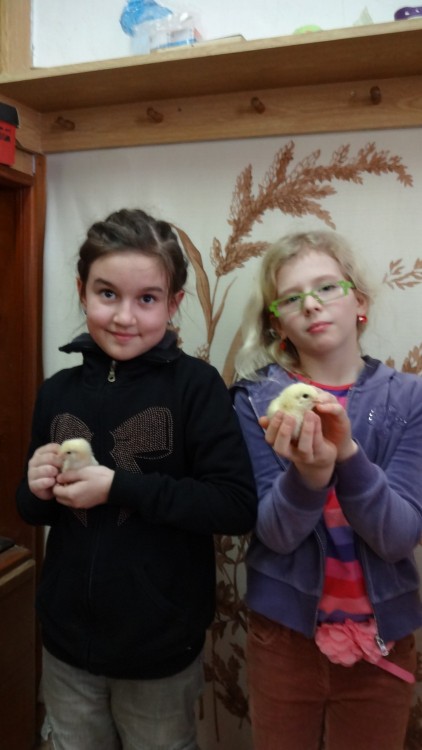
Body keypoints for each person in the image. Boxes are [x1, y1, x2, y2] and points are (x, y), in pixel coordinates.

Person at [16, 208, 257, 750]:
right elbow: (34, 511)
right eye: (107, 294)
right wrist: (34, 487)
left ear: (173, 304)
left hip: (159, 650)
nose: (124, 316)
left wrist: (117, 487)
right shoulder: (56, 391)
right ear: (82, 291)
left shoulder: (195, 387)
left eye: (147, 298)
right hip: (65, 644)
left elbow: (234, 504)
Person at [231, 229, 422, 750]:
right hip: (283, 638)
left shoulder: (410, 400)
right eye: (291, 298)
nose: (312, 304)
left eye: (327, 287)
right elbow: (274, 534)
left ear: (359, 302)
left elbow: (398, 537)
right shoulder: (255, 402)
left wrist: (348, 456)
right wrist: (310, 477)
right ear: (278, 323)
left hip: (383, 640)